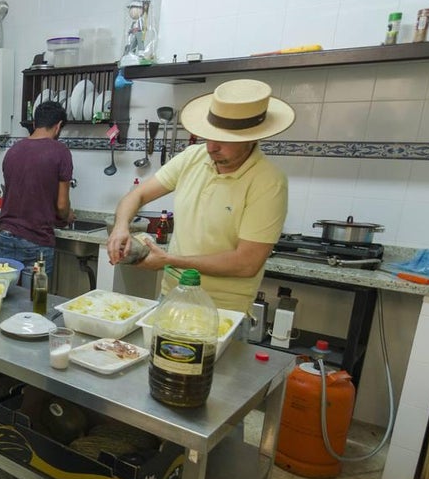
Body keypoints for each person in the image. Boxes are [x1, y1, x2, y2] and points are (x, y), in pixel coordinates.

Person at [107, 79, 293, 312]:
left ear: (251, 138)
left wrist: (169, 260)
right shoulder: (192, 157)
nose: (211, 147)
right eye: (209, 136)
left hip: (223, 309)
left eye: (224, 140)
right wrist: (121, 227)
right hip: (172, 296)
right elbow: (138, 195)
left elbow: (246, 263)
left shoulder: (269, 181)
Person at [0, 100, 74, 282]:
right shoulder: (60, 151)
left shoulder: (13, 150)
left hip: (5, 237)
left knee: (3, 294)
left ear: (34, 123)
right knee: (34, 297)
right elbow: (62, 206)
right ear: (58, 126)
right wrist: (67, 215)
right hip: (37, 242)